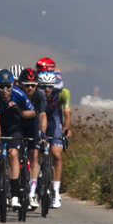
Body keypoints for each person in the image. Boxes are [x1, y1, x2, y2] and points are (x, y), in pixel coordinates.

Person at [0, 69, 35, 210]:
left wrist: (20, 112)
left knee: (13, 154)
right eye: (1, 87)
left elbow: (33, 112)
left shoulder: (18, 94)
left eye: (8, 87)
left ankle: (15, 195)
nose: (5, 90)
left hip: (13, 128)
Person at [38, 70, 71, 208]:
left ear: (54, 86)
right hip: (39, 119)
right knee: (34, 151)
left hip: (54, 120)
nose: (47, 89)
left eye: (50, 86)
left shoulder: (63, 93)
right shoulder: (36, 94)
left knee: (57, 154)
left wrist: (66, 130)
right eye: (44, 86)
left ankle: (56, 192)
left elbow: (67, 116)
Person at [19, 68, 47, 210]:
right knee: (14, 153)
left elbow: (42, 115)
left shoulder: (40, 96)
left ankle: (32, 193)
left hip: (33, 126)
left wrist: (42, 134)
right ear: (21, 84)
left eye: (33, 85)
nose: (30, 88)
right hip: (18, 124)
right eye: (27, 85)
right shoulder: (16, 94)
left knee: (34, 156)